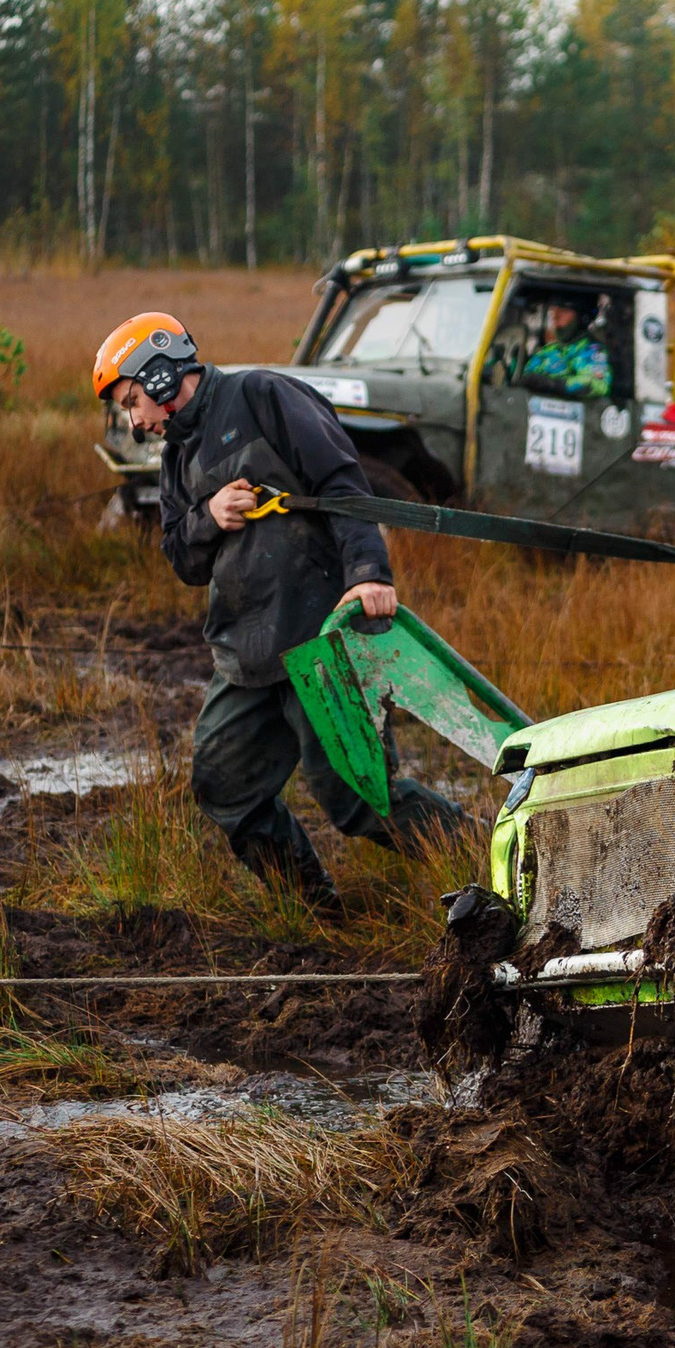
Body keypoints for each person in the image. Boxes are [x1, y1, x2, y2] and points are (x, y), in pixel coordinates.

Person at [94, 312, 466, 914]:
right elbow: (180, 559)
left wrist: (369, 574)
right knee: (225, 787)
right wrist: (207, 515)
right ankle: (319, 914)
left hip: (320, 639)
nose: (135, 422)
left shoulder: (263, 397)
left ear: (161, 377)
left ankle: (500, 858)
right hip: (244, 658)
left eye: (134, 401)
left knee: (362, 801)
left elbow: (345, 483)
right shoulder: (175, 459)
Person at [519, 299, 611, 400]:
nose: (556, 315)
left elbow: (597, 384)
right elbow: (524, 379)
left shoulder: (592, 350)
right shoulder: (548, 350)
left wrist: (553, 384)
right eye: (554, 309)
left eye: (564, 311)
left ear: (582, 317)